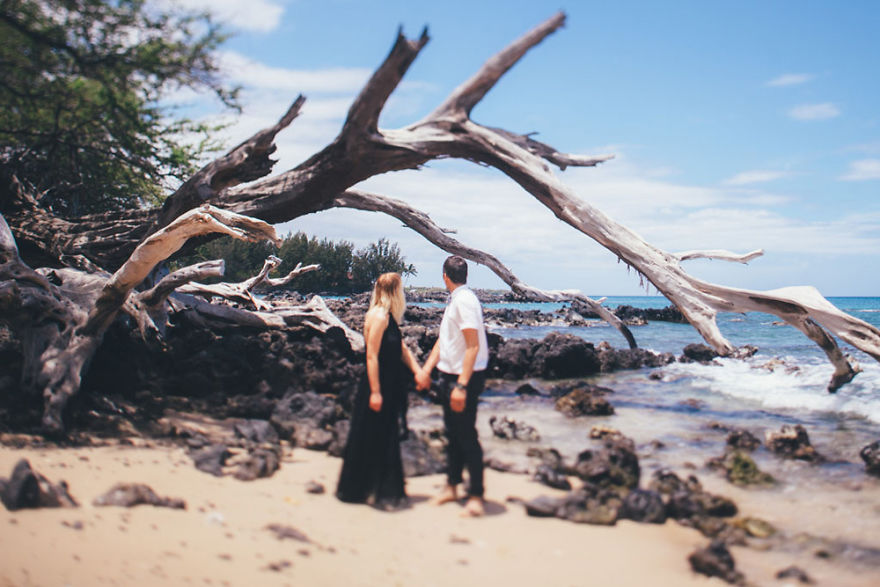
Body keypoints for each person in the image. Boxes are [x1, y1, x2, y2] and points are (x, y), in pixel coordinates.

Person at [336, 272, 422, 509]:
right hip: (378, 384)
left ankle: (375, 488)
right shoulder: (379, 316)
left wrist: (417, 370)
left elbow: (401, 346)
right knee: (375, 435)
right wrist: (375, 391)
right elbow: (371, 356)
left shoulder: (389, 317)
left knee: (383, 435)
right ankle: (372, 490)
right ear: (395, 291)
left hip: (389, 383)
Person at [415, 255, 490, 517]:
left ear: (444, 275)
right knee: (453, 434)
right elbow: (443, 341)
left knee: (466, 436)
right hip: (448, 375)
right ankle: (452, 486)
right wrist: (426, 369)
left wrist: (461, 386)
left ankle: (476, 495)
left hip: (463, 378)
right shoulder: (456, 300)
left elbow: (473, 346)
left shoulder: (465, 302)